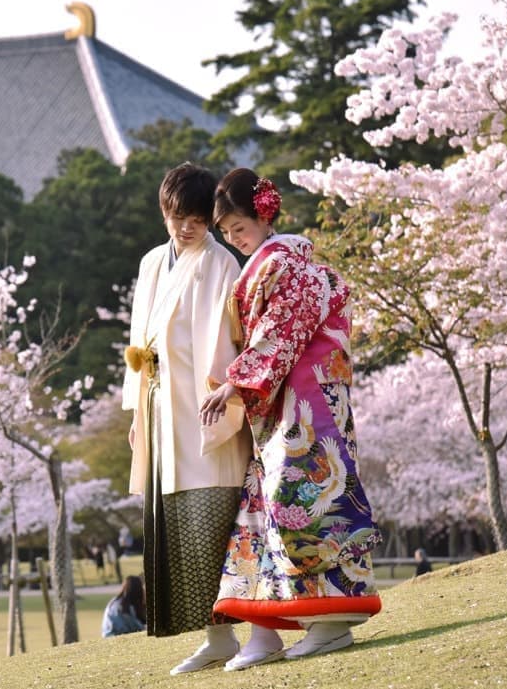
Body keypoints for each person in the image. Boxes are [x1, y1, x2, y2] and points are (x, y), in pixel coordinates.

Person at [200, 168, 382, 670]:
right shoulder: (273, 265)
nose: (234, 239)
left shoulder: (289, 266)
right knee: (277, 506)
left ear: (264, 215)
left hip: (308, 404)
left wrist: (237, 382)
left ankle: (332, 621)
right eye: (227, 232)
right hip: (290, 402)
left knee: (305, 500)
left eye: (239, 228)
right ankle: (285, 625)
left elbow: (281, 333)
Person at [121, 162, 252, 674]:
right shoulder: (153, 262)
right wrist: (137, 411)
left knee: (214, 522)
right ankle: (215, 637)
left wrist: (224, 394)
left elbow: (227, 340)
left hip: (202, 408)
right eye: (178, 218)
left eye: (197, 219)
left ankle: (246, 631)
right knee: (177, 526)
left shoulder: (221, 264)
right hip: (161, 409)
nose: (187, 228)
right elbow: (140, 340)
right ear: (164, 214)